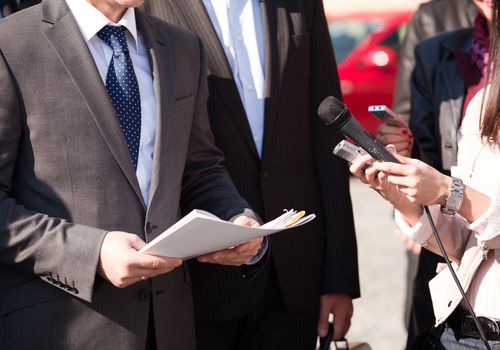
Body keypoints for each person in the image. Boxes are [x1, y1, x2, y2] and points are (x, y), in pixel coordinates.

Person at [0, 0, 266, 348]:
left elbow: (199, 168)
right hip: (57, 329)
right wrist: (91, 252)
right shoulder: (10, 45)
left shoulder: (184, 47)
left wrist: (236, 218)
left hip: (170, 327)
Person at [144, 1, 360, 349]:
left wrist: (339, 276)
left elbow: (327, 136)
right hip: (195, 277)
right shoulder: (149, 6)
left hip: (294, 273)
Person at [351, 0, 500, 347]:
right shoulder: (479, 105)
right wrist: (403, 199)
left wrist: (449, 192)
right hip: (463, 329)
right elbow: (463, 242)